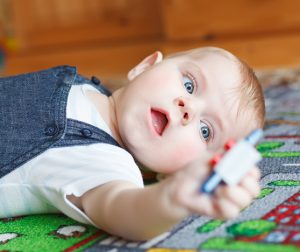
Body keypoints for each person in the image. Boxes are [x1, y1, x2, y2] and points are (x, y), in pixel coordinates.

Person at [0, 47, 265, 241]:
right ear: (145, 66)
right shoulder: (84, 87)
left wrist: (171, 196)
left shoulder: (108, 163)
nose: (189, 109)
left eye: (206, 131)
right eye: (189, 84)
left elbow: (125, 208)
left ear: (176, 171)